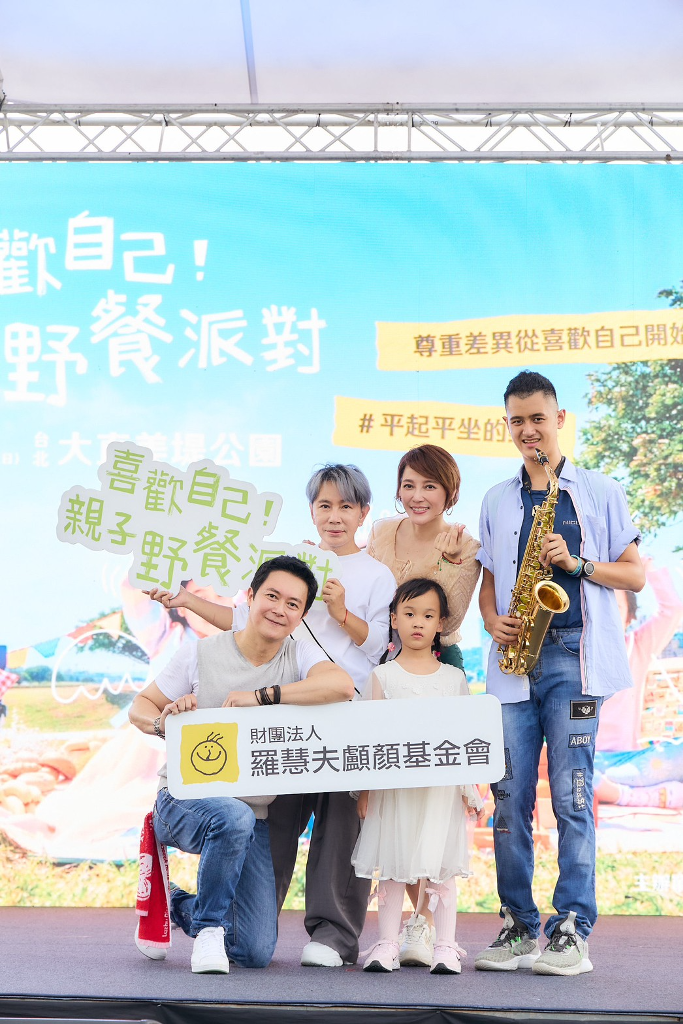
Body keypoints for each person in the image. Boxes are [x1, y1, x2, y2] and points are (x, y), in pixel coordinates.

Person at [146, 464, 396, 968]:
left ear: (364, 514)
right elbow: (245, 620)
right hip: (282, 718)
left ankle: (333, 937)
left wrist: (341, 611)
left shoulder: (377, 574)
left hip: (346, 715)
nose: (334, 516)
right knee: (272, 820)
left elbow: (376, 648)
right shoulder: (295, 562)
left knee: (341, 828)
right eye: (324, 505)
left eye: (346, 507)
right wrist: (187, 601)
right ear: (312, 511)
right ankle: (239, 922)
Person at [474, 370, 644, 978]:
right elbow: (489, 578)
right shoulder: (496, 498)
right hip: (514, 664)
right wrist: (490, 618)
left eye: (537, 419)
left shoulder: (601, 490)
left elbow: (634, 574)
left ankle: (571, 929)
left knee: (573, 796)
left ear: (560, 420)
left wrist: (577, 563)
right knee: (508, 799)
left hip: (575, 658)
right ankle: (518, 926)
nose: (528, 430)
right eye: (517, 421)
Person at [129, 555, 354, 975]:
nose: (280, 609)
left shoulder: (298, 653)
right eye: (272, 596)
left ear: (302, 615)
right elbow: (140, 706)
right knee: (232, 816)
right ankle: (208, 931)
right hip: (183, 798)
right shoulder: (200, 653)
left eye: (293, 604)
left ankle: (176, 902)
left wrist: (263, 697)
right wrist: (165, 724)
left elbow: (341, 685)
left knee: (253, 951)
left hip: (252, 814)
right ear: (250, 597)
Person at [365, 443, 481, 965]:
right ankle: (400, 930)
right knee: (397, 800)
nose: (417, 495)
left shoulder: (465, 544)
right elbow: (372, 593)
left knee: (432, 797)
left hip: (436, 662)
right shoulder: (381, 532)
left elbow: (449, 618)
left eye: (429, 486)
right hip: (384, 661)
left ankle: (427, 927)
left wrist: (447, 563)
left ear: (449, 492)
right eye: (408, 484)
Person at [351, 578, 485, 975]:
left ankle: (444, 946)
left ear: (440, 624)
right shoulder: (383, 676)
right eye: (409, 614)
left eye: (428, 616)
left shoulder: (453, 678)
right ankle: (387, 944)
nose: (418, 623)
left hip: (439, 793)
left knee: (441, 866)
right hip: (394, 791)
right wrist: (366, 790)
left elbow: (463, 740)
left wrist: (470, 790)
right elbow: (371, 739)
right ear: (394, 619)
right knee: (393, 865)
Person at [595, 557, 683, 808]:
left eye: (616, 608)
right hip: (587, 761)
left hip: (629, 763)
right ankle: (635, 796)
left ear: (629, 617)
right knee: (565, 771)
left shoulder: (638, 646)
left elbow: (672, 610)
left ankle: (612, 791)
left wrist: (649, 570)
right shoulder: (573, 652)